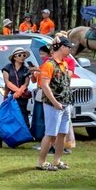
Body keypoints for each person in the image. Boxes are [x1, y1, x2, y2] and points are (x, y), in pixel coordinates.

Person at [34, 41, 72, 171]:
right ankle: (41, 161)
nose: (70, 50)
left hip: (65, 103)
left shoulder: (65, 64)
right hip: (53, 104)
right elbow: (45, 85)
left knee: (62, 133)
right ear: (61, 48)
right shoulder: (49, 65)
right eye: (68, 47)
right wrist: (55, 103)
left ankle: (57, 160)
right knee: (51, 133)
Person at [0, 48, 36, 147]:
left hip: (22, 96)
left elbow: (26, 82)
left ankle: (24, 137)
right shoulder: (7, 68)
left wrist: (20, 91)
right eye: (20, 55)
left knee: (23, 115)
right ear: (14, 57)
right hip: (11, 96)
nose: (22, 57)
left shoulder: (25, 69)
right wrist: (12, 93)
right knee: (9, 117)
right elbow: (7, 82)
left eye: (24, 55)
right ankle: (2, 137)